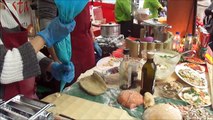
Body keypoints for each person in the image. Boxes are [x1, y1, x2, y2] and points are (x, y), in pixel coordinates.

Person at [0, 0, 74, 100]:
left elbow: (23, 48)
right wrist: (46, 35)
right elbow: (5, 68)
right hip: (6, 106)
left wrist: (50, 66)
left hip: (26, 98)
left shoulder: (9, 9)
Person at [38, 2, 102, 86]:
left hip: (87, 47)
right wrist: (57, 60)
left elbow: (87, 20)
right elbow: (47, 28)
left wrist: (93, 41)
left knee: (92, 85)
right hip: (68, 52)